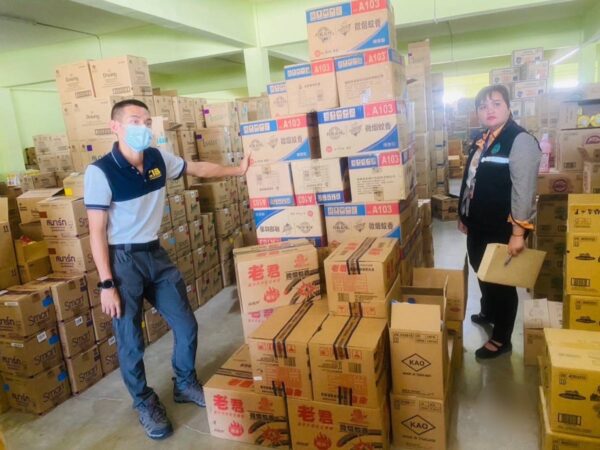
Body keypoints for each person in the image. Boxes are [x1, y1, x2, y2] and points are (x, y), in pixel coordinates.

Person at [84, 99, 249, 440]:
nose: (143, 127)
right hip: (122, 261)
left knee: (186, 324)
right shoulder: (100, 171)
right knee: (131, 341)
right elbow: (96, 231)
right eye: (135, 121)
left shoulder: (158, 159)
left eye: (147, 121)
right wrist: (107, 284)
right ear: (116, 126)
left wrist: (237, 170)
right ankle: (144, 401)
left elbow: (197, 169)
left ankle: (185, 383)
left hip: (155, 254)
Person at [458, 85, 541, 360]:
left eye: (495, 103)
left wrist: (518, 233)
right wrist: (463, 215)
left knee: (501, 281)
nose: (489, 110)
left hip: (502, 227)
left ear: (508, 107)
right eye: (483, 106)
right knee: (480, 268)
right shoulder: (483, 139)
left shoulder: (520, 140)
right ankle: (488, 311)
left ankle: (502, 338)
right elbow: (472, 181)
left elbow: (524, 191)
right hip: (479, 223)